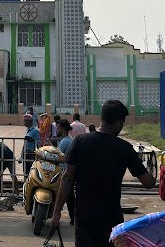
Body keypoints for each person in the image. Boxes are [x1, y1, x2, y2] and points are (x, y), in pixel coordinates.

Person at [51, 100, 155, 247]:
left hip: (84, 219)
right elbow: (148, 182)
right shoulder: (124, 148)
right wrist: (150, 167)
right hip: (111, 221)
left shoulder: (80, 141)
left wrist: (57, 213)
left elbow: (67, 178)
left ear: (102, 118)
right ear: (119, 122)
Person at [56, 118, 75, 226]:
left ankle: (73, 217)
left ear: (62, 128)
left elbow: (58, 156)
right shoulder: (66, 140)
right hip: (66, 171)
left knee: (68, 196)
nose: (57, 129)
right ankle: (73, 217)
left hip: (65, 172)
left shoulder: (65, 142)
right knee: (70, 197)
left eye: (58, 127)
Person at [21, 113, 41, 177]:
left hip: (31, 154)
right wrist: (22, 155)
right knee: (26, 173)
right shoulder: (28, 131)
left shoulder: (35, 131)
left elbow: (38, 143)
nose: (24, 122)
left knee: (30, 173)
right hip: (26, 154)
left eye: (25, 121)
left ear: (30, 122)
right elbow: (25, 144)